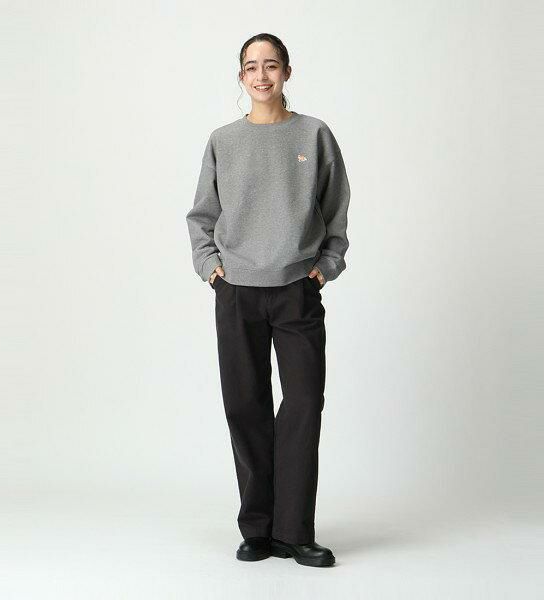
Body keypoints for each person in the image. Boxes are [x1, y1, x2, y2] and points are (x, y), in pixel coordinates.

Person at [185, 33, 350, 568]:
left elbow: (336, 207)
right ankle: (257, 528)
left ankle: (294, 531)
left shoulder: (314, 134)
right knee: (245, 405)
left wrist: (325, 267)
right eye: (252, 67)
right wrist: (211, 268)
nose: (261, 76)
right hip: (236, 290)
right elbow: (202, 215)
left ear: (287, 72)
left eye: (271, 65)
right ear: (241, 76)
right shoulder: (223, 141)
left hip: (297, 289)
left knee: (303, 405)